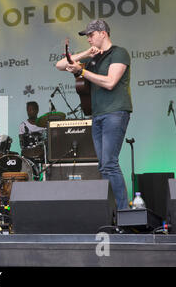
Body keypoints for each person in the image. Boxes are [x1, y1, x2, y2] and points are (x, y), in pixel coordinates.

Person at [55, 19, 132, 210]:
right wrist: (85, 55)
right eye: (87, 36)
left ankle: (124, 212)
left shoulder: (119, 52)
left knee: (110, 163)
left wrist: (82, 71)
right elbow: (60, 64)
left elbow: (110, 82)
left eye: (91, 35)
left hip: (115, 112)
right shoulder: (93, 57)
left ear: (103, 33)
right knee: (103, 166)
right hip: (97, 115)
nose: (88, 39)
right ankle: (113, 212)